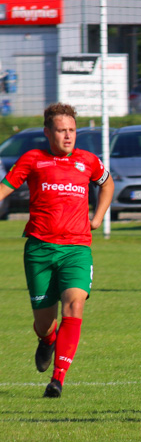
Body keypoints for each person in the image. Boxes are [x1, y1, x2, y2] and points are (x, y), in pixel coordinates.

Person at [0, 103, 114, 398]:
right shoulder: (33, 159)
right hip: (39, 249)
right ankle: (47, 339)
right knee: (44, 323)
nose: (68, 136)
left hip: (76, 248)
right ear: (47, 132)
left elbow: (107, 183)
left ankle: (57, 379)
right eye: (61, 130)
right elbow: (6, 187)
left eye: (72, 130)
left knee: (74, 305)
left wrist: (98, 217)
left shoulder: (88, 161)